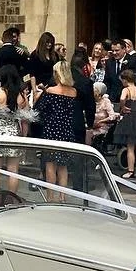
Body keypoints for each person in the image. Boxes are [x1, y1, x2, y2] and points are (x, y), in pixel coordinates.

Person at [31, 62, 81, 191]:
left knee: (50, 165)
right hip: (66, 130)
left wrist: (38, 96)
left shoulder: (51, 91)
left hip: (51, 130)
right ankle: (62, 196)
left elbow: (39, 109)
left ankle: (51, 195)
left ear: (57, 74)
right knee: (63, 166)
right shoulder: (74, 92)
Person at [0, 64, 26, 192]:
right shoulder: (21, 95)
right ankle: (11, 199)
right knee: (13, 170)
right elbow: (26, 117)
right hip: (14, 132)